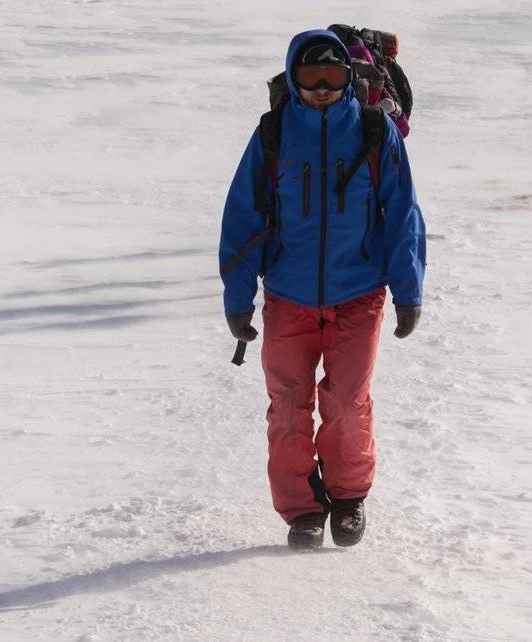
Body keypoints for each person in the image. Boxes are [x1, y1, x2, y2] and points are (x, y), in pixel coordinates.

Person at [217, 29, 426, 549]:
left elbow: (403, 214)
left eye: (333, 77)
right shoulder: (273, 133)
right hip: (288, 295)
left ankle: (349, 499)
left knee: (347, 400)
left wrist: (409, 289)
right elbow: (243, 217)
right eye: (312, 78)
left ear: (349, 77)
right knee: (288, 405)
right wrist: (237, 300)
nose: (323, 88)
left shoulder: (376, 132)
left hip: (360, 291)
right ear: (294, 77)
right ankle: (302, 511)